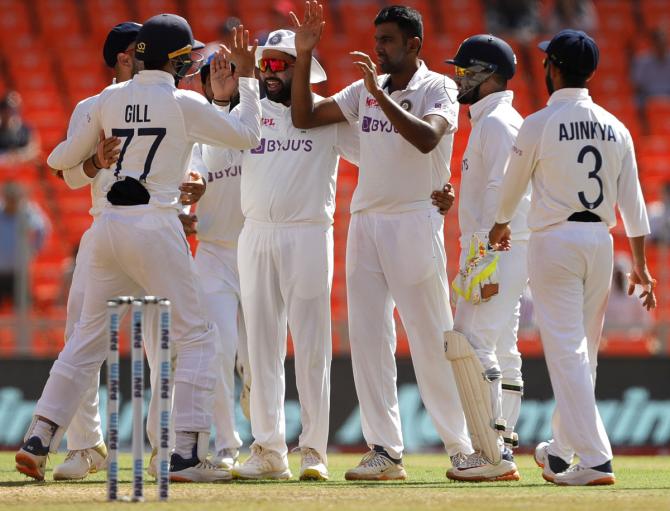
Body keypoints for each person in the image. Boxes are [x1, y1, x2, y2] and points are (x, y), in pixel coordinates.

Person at [15, 13, 262, 483]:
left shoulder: (107, 99)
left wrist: (94, 157)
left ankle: (39, 437)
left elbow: (57, 161)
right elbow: (247, 134)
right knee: (197, 336)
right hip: (154, 225)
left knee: (86, 340)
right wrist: (247, 78)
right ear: (176, 60)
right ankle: (185, 457)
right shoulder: (183, 101)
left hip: (106, 227)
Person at [290, 2, 473, 480]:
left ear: (414, 44)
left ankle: (464, 447)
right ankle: (385, 452)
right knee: (369, 339)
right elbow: (305, 116)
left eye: (388, 40)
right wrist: (305, 54)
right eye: (377, 40)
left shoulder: (439, 87)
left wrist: (378, 94)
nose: (379, 48)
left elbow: (428, 138)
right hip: (367, 220)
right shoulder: (368, 87)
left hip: (414, 219)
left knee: (432, 338)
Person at [489, 29, 656, 486]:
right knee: (583, 353)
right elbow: (635, 204)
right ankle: (561, 450)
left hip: (555, 240)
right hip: (601, 242)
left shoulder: (539, 122)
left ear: (553, 67)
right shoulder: (616, 126)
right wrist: (640, 263)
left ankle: (596, 459)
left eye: (547, 61)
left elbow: (513, 183)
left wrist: (501, 223)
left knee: (567, 352)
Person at [47, 22, 207, 482]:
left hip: (157, 233)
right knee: (82, 336)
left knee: (164, 350)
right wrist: (95, 161)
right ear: (124, 57)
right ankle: (84, 446)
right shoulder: (94, 105)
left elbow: (191, 163)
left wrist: (196, 182)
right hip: (111, 232)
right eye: (139, 49)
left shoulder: (170, 104)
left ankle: (166, 450)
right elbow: (69, 175)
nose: (147, 56)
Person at [204, 27, 357, 482]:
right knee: (263, 348)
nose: (270, 72)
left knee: (311, 346)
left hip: (308, 232)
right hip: (256, 234)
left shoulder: (325, 115)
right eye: (264, 63)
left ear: (302, 66)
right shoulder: (250, 112)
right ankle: (269, 450)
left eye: (280, 64)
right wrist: (228, 96)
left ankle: (313, 451)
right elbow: (214, 160)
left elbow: (378, 156)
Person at [442, 34, 528, 482]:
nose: (458, 79)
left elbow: (506, 188)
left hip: (494, 245)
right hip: (500, 244)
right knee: (501, 348)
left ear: (487, 75)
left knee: (472, 345)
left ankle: (492, 454)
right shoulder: (494, 120)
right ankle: (503, 445)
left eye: (464, 71)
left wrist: (487, 245)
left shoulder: (496, 123)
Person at [188, 55, 250, 471]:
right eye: (214, 73)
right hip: (213, 253)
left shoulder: (257, 120)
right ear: (205, 84)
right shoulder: (195, 132)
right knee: (218, 352)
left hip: (259, 250)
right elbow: (190, 177)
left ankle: (266, 444)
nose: (222, 78)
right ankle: (227, 446)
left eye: (229, 70)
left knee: (257, 359)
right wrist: (189, 190)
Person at [0, 182, 49, 306]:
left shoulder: (27, 212)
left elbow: (41, 228)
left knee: (23, 312)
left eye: (14, 198)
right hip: (1, 271)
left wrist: (35, 249)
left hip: (20, 272)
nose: (12, 201)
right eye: (9, 198)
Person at [0, 91, 40, 165]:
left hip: (23, 168)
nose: (12, 113)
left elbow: (34, 150)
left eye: (15, 110)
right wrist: (6, 157)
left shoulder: (27, 129)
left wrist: (18, 156)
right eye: (8, 110)